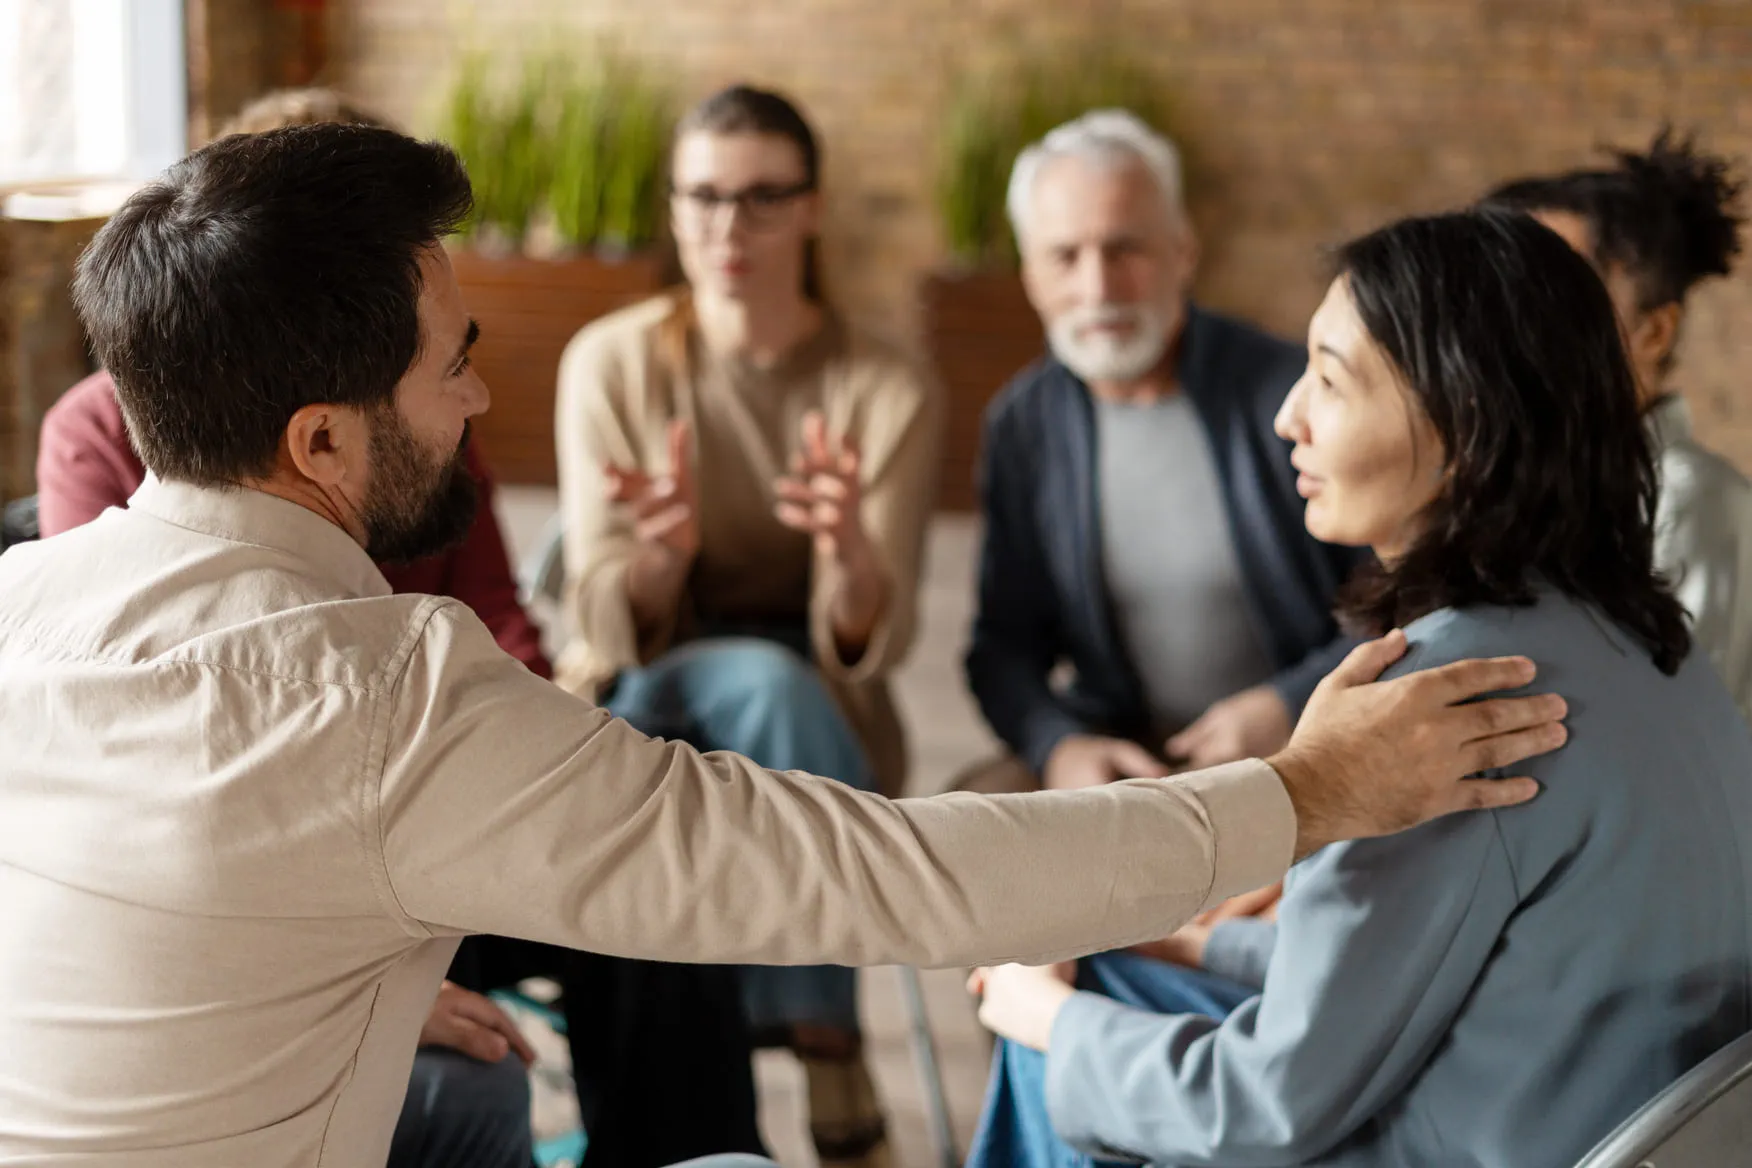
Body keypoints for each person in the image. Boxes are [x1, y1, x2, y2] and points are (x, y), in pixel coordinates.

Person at [0, 122, 1563, 1168]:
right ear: (321, 437)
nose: (478, 401)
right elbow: (876, 874)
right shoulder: (387, 700)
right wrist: (1305, 796)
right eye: (452, 364)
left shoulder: (23, 608)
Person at [965, 208, 1752, 1168]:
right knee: (1120, 975)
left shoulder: (1441, 705)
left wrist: (1045, 1018)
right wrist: (1206, 946)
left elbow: (1265, 1109)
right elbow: (1436, 966)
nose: (1286, 415)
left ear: (1465, 428)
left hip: (1440, 1145)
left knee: (1056, 1042)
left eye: (1330, 381)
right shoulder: (1642, 638)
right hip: (1580, 1119)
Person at [30, 87, 541, 1168]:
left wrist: (533, 727)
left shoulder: (419, 422)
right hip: (281, 859)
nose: (477, 397)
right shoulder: (370, 677)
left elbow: (501, 611)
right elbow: (167, 757)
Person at [552, 85, 940, 1166]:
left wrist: (854, 560)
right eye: (705, 197)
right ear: (673, 208)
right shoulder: (611, 362)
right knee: (743, 698)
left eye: (764, 197)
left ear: (813, 208)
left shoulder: (884, 379)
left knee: (778, 690)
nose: (731, 228)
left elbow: (876, 638)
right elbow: (596, 608)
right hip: (652, 682)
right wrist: (657, 563)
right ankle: (825, 1034)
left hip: (829, 698)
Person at [963, 110, 1363, 806]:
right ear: (1030, 275)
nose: (1097, 288)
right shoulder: (1022, 426)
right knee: (957, 820)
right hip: (1130, 759)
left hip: (1302, 751)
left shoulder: (1291, 393)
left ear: (1183, 250)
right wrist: (1060, 745)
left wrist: (1288, 704)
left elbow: (1402, 598)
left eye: (1125, 250)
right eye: (1066, 257)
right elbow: (1002, 649)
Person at [1485, 130, 1752, 722]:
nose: (1514, 327)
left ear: (1653, 332)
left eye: (1558, 297)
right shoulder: (1511, 491)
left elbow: (1667, 742)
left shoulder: (1692, 503)